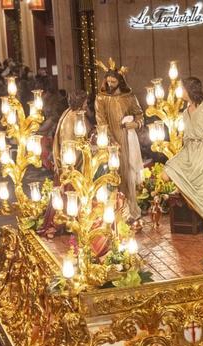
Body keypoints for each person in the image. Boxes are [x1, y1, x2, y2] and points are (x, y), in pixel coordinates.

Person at [162, 77, 203, 221]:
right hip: (189, 150)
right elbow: (186, 134)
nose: (180, 91)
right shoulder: (186, 111)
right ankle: (190, 200)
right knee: (167, 172)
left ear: (190, 90)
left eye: (183, 88)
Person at [94, 59, 144, 223]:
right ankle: (116, 209)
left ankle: (129, 207)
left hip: (128, 140)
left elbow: (139, 114)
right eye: (108, 80)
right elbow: (101, 121)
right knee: (115, 174)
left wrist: (135, 123)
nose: (110, 83)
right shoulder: (101, 98)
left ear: (120, 81)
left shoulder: (128, 97)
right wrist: (110, 139)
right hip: (112, 142)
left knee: (128, 172)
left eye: (113, 81)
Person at [52, 90, 89, 175]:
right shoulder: (76, 116)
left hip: (69, 154)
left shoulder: (68, 112)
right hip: (72, 158)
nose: (86, 105)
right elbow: (73, 139)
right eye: (85, 102)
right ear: (80, 103)